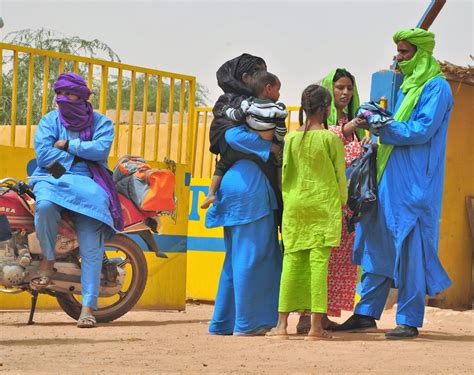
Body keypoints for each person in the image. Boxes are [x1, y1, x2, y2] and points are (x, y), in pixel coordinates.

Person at [334, 28, 453, 339]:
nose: (399, 58)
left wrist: (383, 126)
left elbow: (421, 131)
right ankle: (365, 313)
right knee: (376, 241)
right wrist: (377, 119)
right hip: (388, 177)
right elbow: (398, 125)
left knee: (410, 248)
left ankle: (409, 318)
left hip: (415, 182)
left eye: (405, 52)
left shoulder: (437, 88)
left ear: (421, 53)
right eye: (398, 52)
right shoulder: (408, 86)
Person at [31, 72, 123, 328]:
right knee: (46, 206)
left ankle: (88, 309)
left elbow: (100, 150)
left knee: (91, 247)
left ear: (81, 97)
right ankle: (47, 259)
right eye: (59, 95)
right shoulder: (49, 121)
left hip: (89, 183)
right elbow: (44, 155)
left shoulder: (101, 122)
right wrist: (72, 162)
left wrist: (68, 145)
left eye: (68, 94)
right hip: (53, 175)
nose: (62, 99)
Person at [205, 54, 283, 336]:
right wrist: (273, 149)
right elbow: (232, 138)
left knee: (235, 258)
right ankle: (248, 323)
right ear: (246, 78)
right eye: (259, 72)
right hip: (251, 185)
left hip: (234, 183)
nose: (265, 77)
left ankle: (223, 323)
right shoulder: (241, 105)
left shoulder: (228, 105)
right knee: (253, 257)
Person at [266, 84, 347, 340]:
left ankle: (281, 326)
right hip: (323, 208)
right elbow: (340, 178)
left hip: (295, 209)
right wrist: (343, 203)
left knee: (291, 264)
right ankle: (315, 327)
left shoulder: (290, 138)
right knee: (318, 266)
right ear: (325, 108)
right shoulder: (330, 138)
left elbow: (284, 176)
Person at [296, 68, 365, 334]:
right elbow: (324, 140)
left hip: (347, 206)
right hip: (322, 202)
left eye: (349, 88)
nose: (345, 93)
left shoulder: (356, 123)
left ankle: (322, 316)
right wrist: (349, 127)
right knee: (317, 260)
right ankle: (305, 316)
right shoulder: (319, 125)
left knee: (338, 265)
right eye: (339, 88)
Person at [201, 71, 287, 209]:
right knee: (279, 166)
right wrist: (275, 143)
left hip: (242, 149)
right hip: (267, 152)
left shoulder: (247, 104)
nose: (279, 94)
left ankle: (211, 193)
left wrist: (225, 109)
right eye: (278, 90)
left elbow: (235, 116)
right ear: (268, 88)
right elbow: (281, 132)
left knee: (222, 165)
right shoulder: (279, 109)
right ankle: (282, 192)